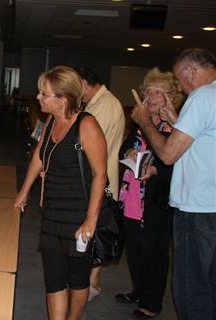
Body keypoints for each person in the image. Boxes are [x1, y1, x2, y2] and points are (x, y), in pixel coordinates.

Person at [14, 66, 107, 320]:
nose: (39, 98)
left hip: (79, 213)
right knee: (53, 277)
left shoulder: (87, 125)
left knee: (77, 278)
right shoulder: (52, 120)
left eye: (45, 94)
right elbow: (38, 157)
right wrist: (24, 191)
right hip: (53, 212)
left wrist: (91, 219)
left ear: (63, 99)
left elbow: (100, 175)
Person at [131, 48, 216, 320]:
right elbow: (202, 143)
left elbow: (168, 154)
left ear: (191, 70)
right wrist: (175, 121)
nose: (180, 86)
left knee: (192, 288)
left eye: (180, 79)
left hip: (198, 208)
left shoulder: (202, 96)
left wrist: (146, 123)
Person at [115, 68, 183, 318]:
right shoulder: (141, 121)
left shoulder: (176, 126)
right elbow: (125, 146)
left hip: (156, 201)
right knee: (134, 250)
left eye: (159, 92)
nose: (152, 97)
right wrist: (129, 153)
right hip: (132, 195)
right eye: (149, 91)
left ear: (171, 98)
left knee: (154, 254)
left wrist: (156, 170)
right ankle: (138, 291)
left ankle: (151, 304)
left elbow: (178, 163)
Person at [75, 67, 125, 301]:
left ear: (85, 83)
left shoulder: (105, 105)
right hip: (96, 177)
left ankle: (91, 284)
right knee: (93, 231)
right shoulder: (99, 102)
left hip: (100, 180)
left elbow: (91, 145)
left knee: (96, 231)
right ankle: (87, 281)